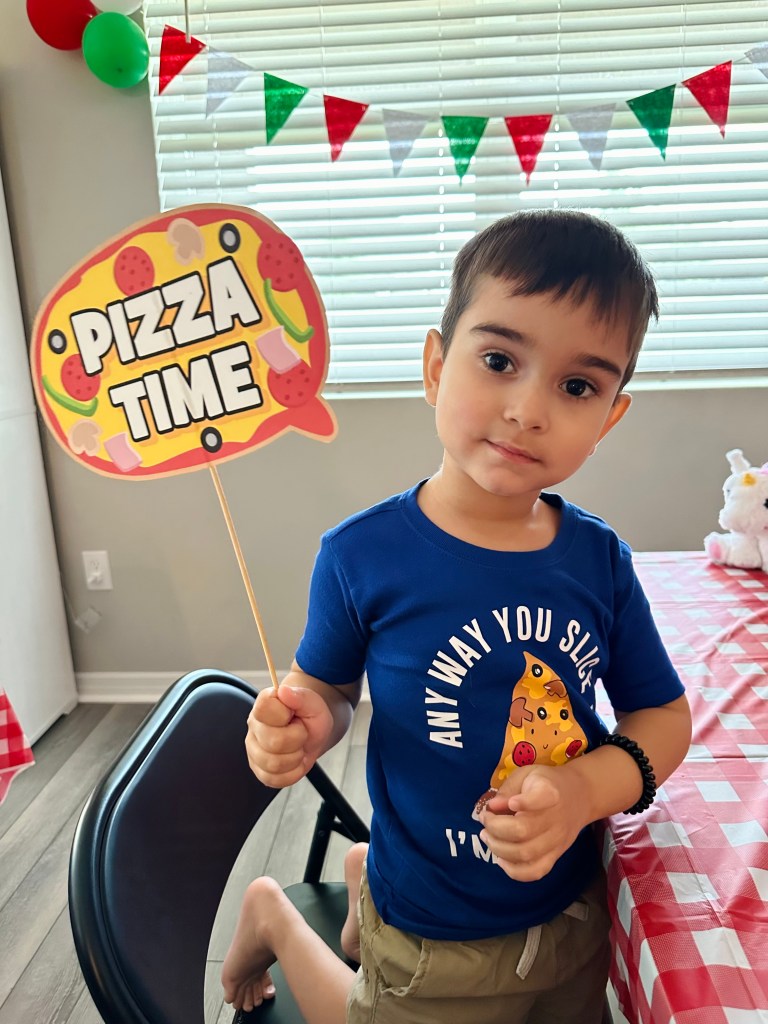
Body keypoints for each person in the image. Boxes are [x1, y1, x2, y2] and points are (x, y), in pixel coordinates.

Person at [229, 209, 693, 1023]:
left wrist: (586, 790)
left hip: (574, 908)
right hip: (432, 923)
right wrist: (304, 720)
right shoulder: (360, 555)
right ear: (437, 367)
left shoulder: (600, 561)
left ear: (612, 415)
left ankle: (360, 873)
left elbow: (662, 715)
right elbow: (328, 690)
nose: (528, 409)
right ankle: (276, 913)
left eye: (578, 385)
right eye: (499, 359)